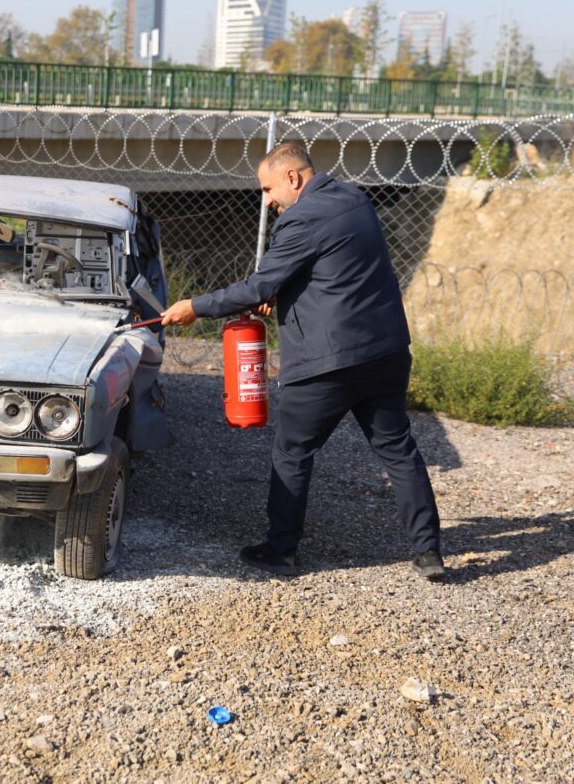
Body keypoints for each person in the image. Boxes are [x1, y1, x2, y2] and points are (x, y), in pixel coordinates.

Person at [160, 142, 445, 581]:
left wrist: (194, 306)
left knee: (292, 452)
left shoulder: (300, 218)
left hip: (328, 362)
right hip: (386, 352)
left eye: (269, 188)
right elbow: (338, 272)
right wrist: (285, 293)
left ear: (293, 177)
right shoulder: (355, 199)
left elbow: (257, 287)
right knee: (398, 450)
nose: (267, 200)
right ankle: (429, 554)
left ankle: (281, 549)